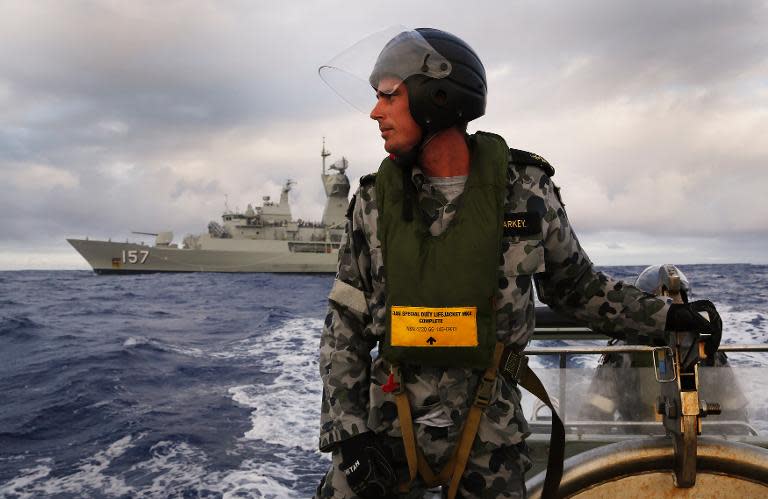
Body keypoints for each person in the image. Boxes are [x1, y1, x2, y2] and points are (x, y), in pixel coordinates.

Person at [315, 27, 722, 498]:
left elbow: (578, 288)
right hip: (385, 433)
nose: (375, 111)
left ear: (436, 97)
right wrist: (350, 435)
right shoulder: (371, 203)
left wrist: (669, 318)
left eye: (388, 95)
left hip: (489, 435)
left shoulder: (526, 191)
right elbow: (343, 329)